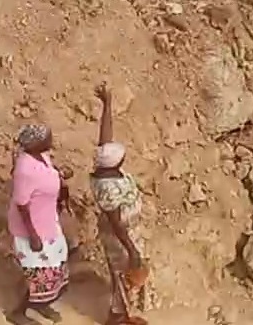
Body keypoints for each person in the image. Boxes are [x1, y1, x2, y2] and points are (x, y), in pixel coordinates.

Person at [90, 83, 147, 325]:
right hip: (120, 236)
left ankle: (120, 313)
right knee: (125, 273)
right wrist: (131, 248)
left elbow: (105, 139)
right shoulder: (107, 188)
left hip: (128, 231)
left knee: (127, 274)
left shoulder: (105, 168)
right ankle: (119, 318)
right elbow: (115, 223)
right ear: (116, 163)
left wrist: (107, 104)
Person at [7, 124, 71, 325]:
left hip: (48, 223)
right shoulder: (25, 170)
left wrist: (58, 175)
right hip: (32, 230)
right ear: (35, 143)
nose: (50, 139)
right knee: (36, 274)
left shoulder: (41, 156)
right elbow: (22, 205)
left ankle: (41, 304)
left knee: (54, 268)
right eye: (46, 137)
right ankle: (17, 313)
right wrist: (33, 235)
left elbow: (46, 175)